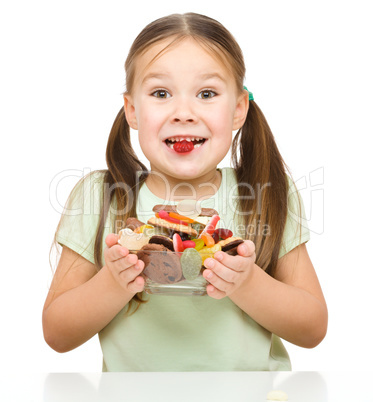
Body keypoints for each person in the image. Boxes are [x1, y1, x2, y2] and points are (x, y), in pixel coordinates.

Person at [43, 12, 328, 371]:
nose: (184, 112)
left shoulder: (266, 192)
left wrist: (247, 282)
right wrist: (114, 282)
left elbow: (313, 327)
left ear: (238, 109)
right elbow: (56, 333)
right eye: (161, 93)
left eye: (206, 93)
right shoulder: (100, 197)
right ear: (132, 110)